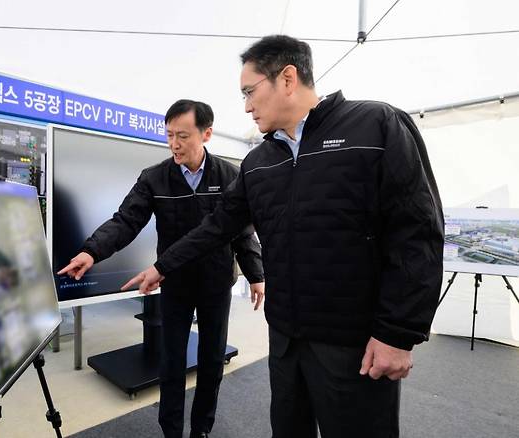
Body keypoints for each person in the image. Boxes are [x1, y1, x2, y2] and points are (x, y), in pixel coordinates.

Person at [122, 35, 445, 438]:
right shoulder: (258, 162)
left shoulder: (375, 126)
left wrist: (398, 333)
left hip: (355, 345)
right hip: (287, 341)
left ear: (287, 78)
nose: (245, 106)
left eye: (249, 91)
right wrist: (162, 266)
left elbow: (418, 232)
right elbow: (219, 225)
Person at [58, 99, 265, 438]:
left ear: (207, 134)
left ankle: (201, 430)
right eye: (169, 135)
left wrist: (255, 274)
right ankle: (171, 431)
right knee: (170, 362)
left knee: (212, 362)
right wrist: (91, 252)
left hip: (215, 284)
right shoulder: (155, 178)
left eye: (182, 136)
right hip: (174, 284)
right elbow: (126, 221)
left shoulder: (230, 176)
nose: (174, 144)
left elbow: (241, 230)